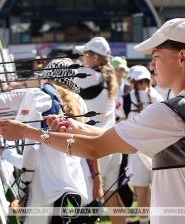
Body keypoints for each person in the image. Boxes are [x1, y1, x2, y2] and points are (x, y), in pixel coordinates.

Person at [0, 18, 185, 223]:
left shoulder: (172, 112)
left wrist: (27, 132)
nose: (151, 65)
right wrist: (76, 126)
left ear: (182, 58)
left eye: (156, 56)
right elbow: (119, 139)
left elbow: (96, 148)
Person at [0, 59, 102, 224]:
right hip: (73, 195)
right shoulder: (78, 104)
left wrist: (23, 190)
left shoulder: (38, 96)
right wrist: (4, 152)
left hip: (43, 199)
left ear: (47, 78)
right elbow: (46, 159)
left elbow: (32, 154)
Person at [74, 36, 125, 223]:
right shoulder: (108, 76)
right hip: (113, 147)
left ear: (95, 58)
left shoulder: (90, 76)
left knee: (89, 204)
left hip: (97, 149)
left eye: (85, 55)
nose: (82, 59)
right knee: (112, 200)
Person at [126, 65, 163, 224]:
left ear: (132, 81)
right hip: (158, 150)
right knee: (158, 191)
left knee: (141, 190)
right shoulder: (159, 98)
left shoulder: (126, 98)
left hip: (136, 150)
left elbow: (121, 121)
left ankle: (143, 221)